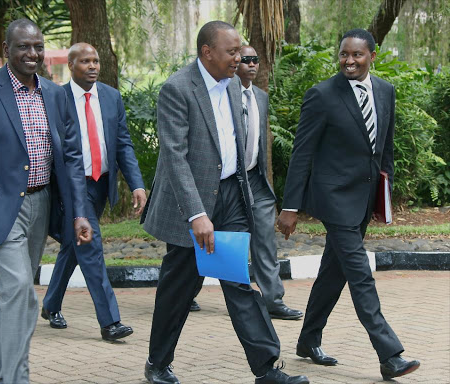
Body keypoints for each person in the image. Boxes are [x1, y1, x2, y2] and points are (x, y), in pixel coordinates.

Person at [141, 21, 309, 384]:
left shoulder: (234, 84)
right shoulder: (178, 89)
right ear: (207, 52)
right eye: (232, 52)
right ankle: (157, 363)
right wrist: (197, 213)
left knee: (237, 279)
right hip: (193, 204)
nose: (239, 58)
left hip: (230, 195)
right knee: (180, 287)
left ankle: (266, 367)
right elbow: (174, 156)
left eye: (241, 52)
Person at [0, 19, 93, 384]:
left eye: (38, 46)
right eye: (24, 47)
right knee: (20, 289)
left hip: (40, 207)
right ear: (7, 50)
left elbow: (70, 160)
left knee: (17, 297)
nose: (33, 54)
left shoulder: (56, 95)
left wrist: (80, 213)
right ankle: (14, 379)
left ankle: (2, 376)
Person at [277, 29, 420, 381]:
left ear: (372, 54)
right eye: (343, 54)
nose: (349, 61)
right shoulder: (322, 95)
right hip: (333, 198)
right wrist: (290, 206)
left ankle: (308, 340)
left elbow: (383, 146)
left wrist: (381, 196)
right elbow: (302, 153)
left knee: (333, 271)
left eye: (356, 55)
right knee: (359, 274)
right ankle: (390, 355)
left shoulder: (386, 91)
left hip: (364, 197)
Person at [42, 43, 146, 341]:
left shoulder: (111, 97)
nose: (93, 66)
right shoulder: (57, 98)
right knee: (90, 247)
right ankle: (110, 321)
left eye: (96, 61)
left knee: (73, 246)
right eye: (85, 61)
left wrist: (136, 183)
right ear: (71, 65)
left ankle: (50, 304)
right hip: (72, 187)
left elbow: (123, 144)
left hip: (101, 184)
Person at [190, 45, 303, 319]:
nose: (251, 65)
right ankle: (187, 292)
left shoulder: (261, 97)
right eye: (245, 60)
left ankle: (273, 300)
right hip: (226, 181)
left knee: (264, 239)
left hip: (255, 181)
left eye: (255, 60)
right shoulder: (220, 96)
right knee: (207, 239)